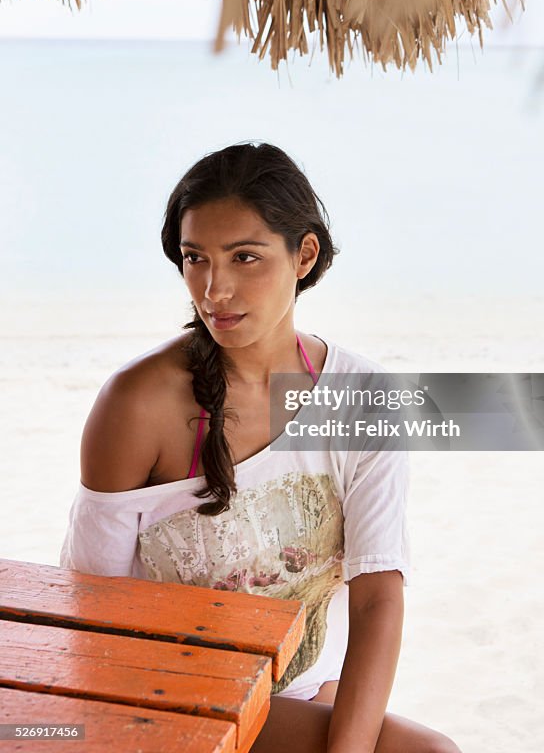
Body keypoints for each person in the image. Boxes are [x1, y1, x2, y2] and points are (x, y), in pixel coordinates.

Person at [60, 142, 461, 753]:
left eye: (245, 257)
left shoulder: (363, 396)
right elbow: (94, 615)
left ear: (304, 255)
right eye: (196, 258)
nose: (214, 288)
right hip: (167, 693)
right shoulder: (137, 404)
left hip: (304, 690)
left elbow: (379, 596)